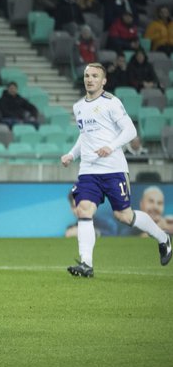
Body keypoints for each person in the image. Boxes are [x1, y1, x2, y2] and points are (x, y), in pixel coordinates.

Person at [60, 63, 171, 278]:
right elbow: (85, 137)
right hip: (89, 170)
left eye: (94, 76)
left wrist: (110, 147)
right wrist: (72, 154)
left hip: (113, 169)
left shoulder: (112, 103)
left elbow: (130, 130)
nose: (89, 79)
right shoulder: (79, 106)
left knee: (123, 215)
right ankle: (86, 264)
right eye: (86, 75)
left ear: (103, 81)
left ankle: (162, 237)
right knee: (84, 209)